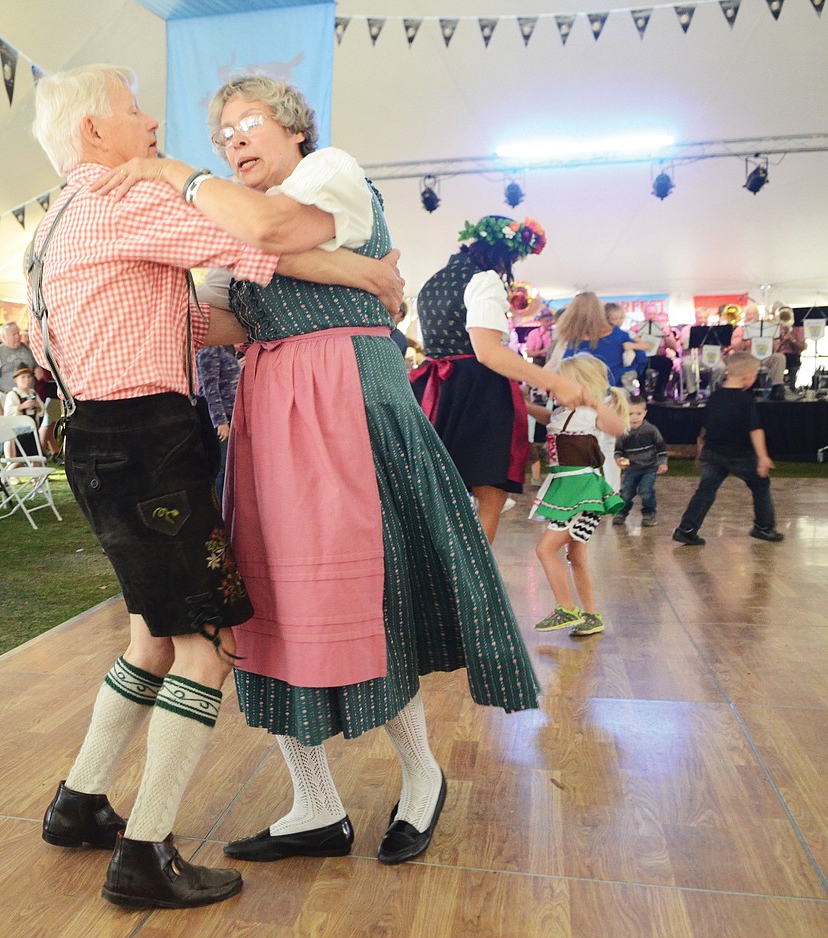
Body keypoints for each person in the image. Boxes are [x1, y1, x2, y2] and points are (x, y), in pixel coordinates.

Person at [101, 74, 540, 874]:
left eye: (249, 122)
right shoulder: (234, 213)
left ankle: (421, 776)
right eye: (223, 131)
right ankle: (315, 803)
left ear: (295, 129)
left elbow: (271, 235)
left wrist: (177, 179)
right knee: (268, 601)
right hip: (274, 407)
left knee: (372, 589)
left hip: (346, 394)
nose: (234, 139)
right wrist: (129, 290)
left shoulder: (326, 171)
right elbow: (229, 314)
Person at [28, 65, 403, 911]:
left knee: (150, 638)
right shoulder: (128, 199)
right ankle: (146, 851)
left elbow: (192, 317)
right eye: (133, 111)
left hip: (98, 438)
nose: (152, 121)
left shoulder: (53, 220)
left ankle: (80, 801)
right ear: (95, 133)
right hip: (147, 443)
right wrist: (369, 274)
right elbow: (268, 236)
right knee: (206, 647)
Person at [411, 216, 585, 541]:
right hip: (478, 394)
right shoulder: (484, 279)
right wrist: (556, 382)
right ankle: (475, 581)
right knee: (490, 495)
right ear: (503, 254)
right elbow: (488, 352)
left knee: (443, 493)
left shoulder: (434, 282)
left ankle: (442, 575)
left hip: (436, 389)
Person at [526, 353, 628, 637]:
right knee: (577, 556)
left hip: (582, 492)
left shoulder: (589, 413)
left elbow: (618, 428)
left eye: (557, 384)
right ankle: (591, 615)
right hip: (569, 490)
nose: (551, 388)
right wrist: (526, 407)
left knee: (545, 549)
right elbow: (551, 419)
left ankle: (566, 608)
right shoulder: (561, 413)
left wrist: (593, 401)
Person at [673, 352, 785, 545]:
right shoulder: (745, 400)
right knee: (760, 485)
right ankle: (764, 527)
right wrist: (763, 456)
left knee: (706, 489)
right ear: (748, 376)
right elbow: (755, 430)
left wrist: (701, 450)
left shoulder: (714, 396)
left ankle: (687, 529)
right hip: (737, 455)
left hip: (712, 452)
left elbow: (705, 426)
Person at [555, 292, 646, 389]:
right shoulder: (620, 335)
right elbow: (642, 359)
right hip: (615, 392)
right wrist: (625, 374)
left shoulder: (572, 341)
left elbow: (561, 368)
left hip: (584, 393)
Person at [612, 396, 668, 527]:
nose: (634, 417)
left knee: (646, 490)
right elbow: (618, 450)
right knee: (626, 493)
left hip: (650, 467)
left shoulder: (651, 430)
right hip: (632, 469)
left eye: (638, 414)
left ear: (645, 413)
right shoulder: (623, 432)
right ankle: (622, 512)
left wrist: (663, 462)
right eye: (630, 414)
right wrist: (619, 459)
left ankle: (649, 513)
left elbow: (661, 447)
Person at [195, 344, 240, 502]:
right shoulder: (210, 350)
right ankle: (220, 512)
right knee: (220, 469)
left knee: (226, 468)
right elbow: (209, 389)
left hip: (228, 416)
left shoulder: (221, 349)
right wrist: (220, 421)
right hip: (220, 420)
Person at [729, 304, 788, 400]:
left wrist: (768, 336)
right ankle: (745, 390)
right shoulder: (740, 330)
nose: (752, 317)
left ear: (758, 315)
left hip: (765, 356)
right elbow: (736, 349)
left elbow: (776, 347)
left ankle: (777, 388)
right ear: (745, 317)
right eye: (749, 314)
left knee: (779, 357)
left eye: (754, 314)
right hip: (748, 358)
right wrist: (745, 336)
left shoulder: (768, 327)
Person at [0, 322, 39, 416]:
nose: (18, 336)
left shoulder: (26, 348)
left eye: (18, 333)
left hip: (27, 397)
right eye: (14, 334)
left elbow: (35, 365)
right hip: (7, 399)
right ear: (4, 337)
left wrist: (37, 368)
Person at [632, 302, 682, 402]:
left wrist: (666, 335)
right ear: (644, 314)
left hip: (657, 356)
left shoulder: (662, 328)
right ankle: (642, 392)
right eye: (649, 313)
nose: (651, 316)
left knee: (667, 363)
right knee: (638, 363)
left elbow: (675, 347)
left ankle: (659, 392)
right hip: (642, 356)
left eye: (653, 314)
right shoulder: (636, 327)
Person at [603, 302, 651, 390]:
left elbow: (646, 345)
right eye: (614, 319)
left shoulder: (628, 334)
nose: (618, 321)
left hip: (625, 369)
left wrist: (632, 346)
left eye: (621, 318)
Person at [2, 366, 43, 457]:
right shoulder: (13, 395)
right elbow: (8, 413)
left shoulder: (33, 393)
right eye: (23, 377)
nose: (27, 380)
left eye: (29, 377)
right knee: (19, 459)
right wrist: (21, 407)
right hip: (18, 433)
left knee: (35, 458)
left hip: (32, 432)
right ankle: (8, 471)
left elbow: (42, 410)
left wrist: (38, 407)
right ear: (16, 379)